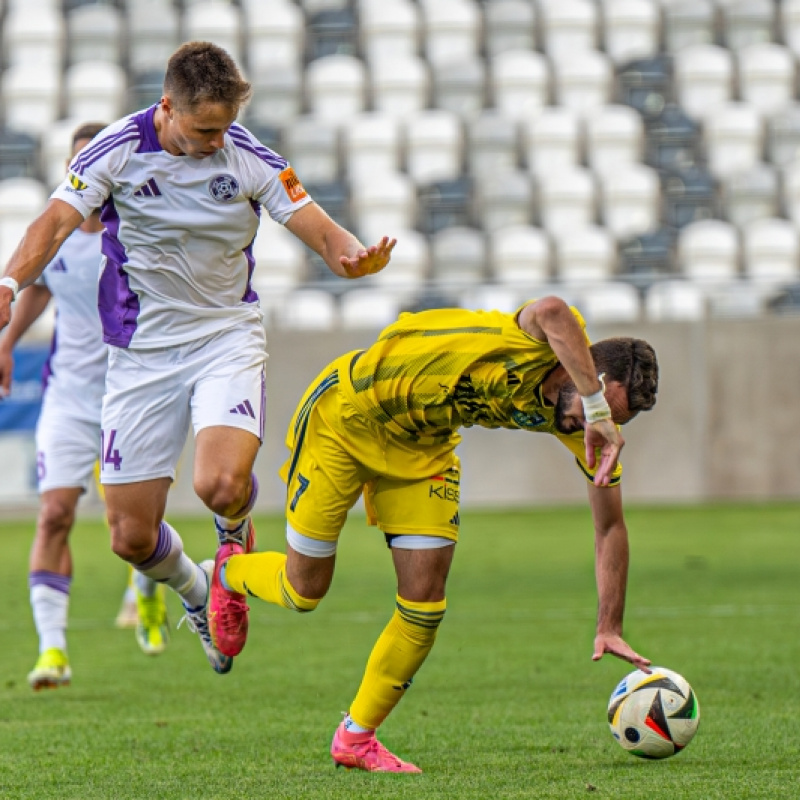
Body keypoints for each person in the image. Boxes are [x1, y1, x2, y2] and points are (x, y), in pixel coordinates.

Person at [0, 42, 395, 676]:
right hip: (141, 354)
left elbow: (317, 224)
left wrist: (350, 256)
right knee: (130, 537)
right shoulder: (116, 150)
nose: (217, 141)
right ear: (168, 107)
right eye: (204, 128)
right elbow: (50, 223)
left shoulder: (247, 155)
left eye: (225, 126)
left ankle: (232, 552)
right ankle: (194, 587)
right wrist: (9, 284)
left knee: (220, 484)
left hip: (224, 338)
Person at [207, 296, 659, 773]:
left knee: (425, 601)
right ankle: (228, 570)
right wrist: (595, 405)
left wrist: (609, 625)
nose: (596, 427)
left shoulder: (581, 430)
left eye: (613, 422)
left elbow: (610, 526)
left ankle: (356, 736)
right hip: (348, 415)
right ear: (591, 377)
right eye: (600, 414)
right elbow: (551, 310)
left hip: (423, 446)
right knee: (304, 590)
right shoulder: (538, 344)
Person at [0, 124, 168, 690]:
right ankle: (53, 652)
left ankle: (145, 592)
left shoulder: (140, 232)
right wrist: (5, 342)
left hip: (133, 395)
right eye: (77, 162)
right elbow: (41, 287)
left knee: (134, 529)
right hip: (68, 396)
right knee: (54, 514)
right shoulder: (59, 237)